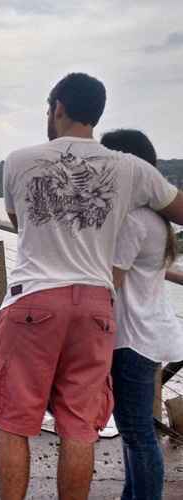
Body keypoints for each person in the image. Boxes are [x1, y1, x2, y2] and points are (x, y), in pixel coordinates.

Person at [0, 72, 183, 500]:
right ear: (98, 112)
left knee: (14, 421)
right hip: (95, 308)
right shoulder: (132, 168)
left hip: (34, 300)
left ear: (58, 108)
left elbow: (25, 227)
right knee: (80, 425)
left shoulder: (19, 160)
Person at [100, 129, 183, 500]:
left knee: (136, 431)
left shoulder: (133, 220)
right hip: (147, 332)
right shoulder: (156, 218)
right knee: (135, 431)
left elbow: (110, 282)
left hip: (131, 338)